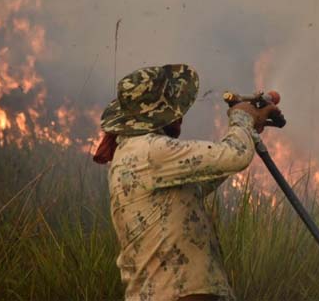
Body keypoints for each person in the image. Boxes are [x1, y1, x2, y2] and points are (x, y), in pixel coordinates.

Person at [99, 64, 280, 301]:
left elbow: (198, 182)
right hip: (178, 294)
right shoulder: (151, 150)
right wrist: (242, 117)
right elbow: (235, 156)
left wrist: (247, 129)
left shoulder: (131, 152)